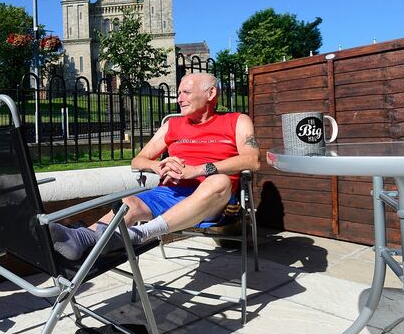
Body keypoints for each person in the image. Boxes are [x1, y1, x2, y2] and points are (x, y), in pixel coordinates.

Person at [50, 72, 260, 261]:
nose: (179, 98)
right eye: (178, 93)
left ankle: (142, 234)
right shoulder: (173, 125)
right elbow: (138, 160)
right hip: (170, 193)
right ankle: (80, 239)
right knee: (130, 203)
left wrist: (199, 170)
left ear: (211, 93)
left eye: (185, 92)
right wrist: (158, 166)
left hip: (216, 203)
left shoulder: (236, 121)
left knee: (219, 180)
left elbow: (252, 160)